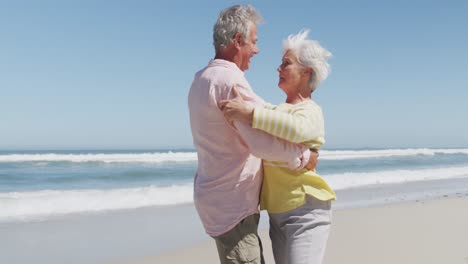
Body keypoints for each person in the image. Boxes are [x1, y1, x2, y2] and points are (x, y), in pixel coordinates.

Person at [187, 5, 318, 264]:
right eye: (254, 42)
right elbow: (260, 143)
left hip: (215, 201)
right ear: (238, 41)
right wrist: (302, 155)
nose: (257, 50)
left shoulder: (200, 78)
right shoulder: (230, 81)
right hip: (233, 207)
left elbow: (260, 112)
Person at [219, 30, 336, 264]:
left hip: (306, 212)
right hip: (277, 214)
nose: (279, 68)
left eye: (286, 63)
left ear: (306, 72)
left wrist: (249, 113)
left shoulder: (310, 111)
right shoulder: (274, 111)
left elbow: (296, 128)